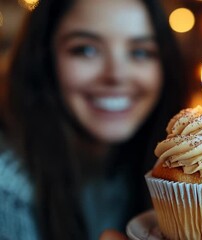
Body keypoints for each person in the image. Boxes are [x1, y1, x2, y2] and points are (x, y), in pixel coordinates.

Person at [0, 0, 188, 239]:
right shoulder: (7, 191)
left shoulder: (155, 166)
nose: (116, 74)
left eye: (140, 52)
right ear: (44, 59)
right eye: (86, 50)